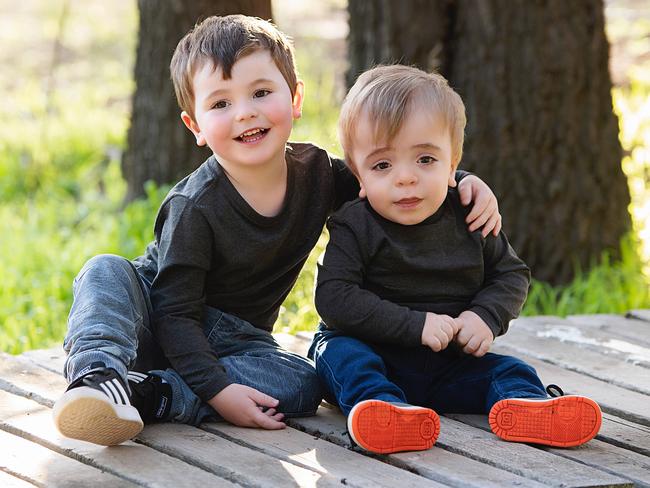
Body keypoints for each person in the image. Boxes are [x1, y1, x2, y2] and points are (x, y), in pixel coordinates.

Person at [52, 15, 501, 446]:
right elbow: (174, 313)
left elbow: (385, 181)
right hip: (153, 313)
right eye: (221, 103)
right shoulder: (194, 206)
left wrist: (460, 182)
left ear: (295, 99)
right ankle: (98, 377)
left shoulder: (320, 175)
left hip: (238, 337)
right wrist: (219, 393)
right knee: (105, 270)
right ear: (196, 126)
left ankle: (152, 393)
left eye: (261, 92)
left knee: (306, 382)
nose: (245, 113)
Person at [309, 64, 602, 455]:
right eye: (382, 165)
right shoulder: (355, 224)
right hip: (374, 352)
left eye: (425, 159)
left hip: (448, 364)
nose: (405, 178)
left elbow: (510, 274)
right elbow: (333, 298)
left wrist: (484, 317)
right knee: (341, 355)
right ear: (359, 177)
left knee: (509, 369)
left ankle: (528, 406)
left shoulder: (470, 214)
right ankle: (384, 411)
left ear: (453, 164)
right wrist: (416, 325)